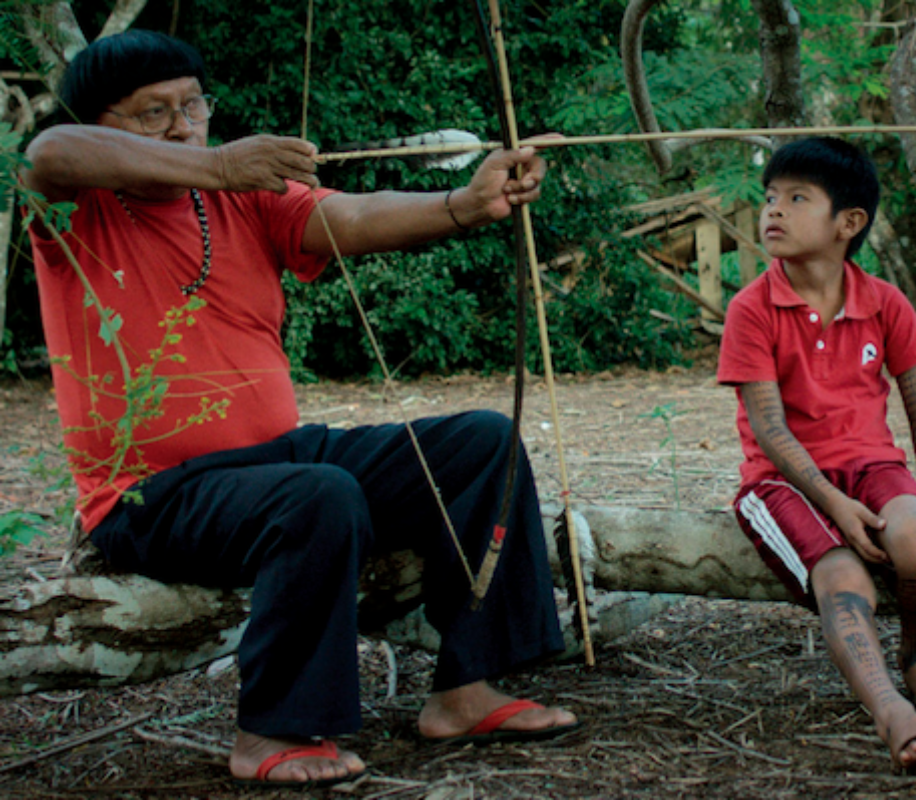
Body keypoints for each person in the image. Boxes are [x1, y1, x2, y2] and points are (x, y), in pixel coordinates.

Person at [22, 30, 578, 789]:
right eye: (155, 114)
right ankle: (271, 730)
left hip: (277, 459)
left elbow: (346, 217)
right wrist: (216, 164)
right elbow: (48, 153)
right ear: (100, 123)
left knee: (482, 445)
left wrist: (464, 204)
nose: (186, 126)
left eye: (194, 105)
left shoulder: (238, 199)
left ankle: (465, 688)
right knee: (319, 496)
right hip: (151, 494)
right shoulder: (73, 210)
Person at [717, 137, 916, 774]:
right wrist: (833, 503)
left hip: (870, 465)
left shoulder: (884, 301)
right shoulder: (752, 308)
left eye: (797, 198)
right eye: (770, 197)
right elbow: (771, 431)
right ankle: (890, 710)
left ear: (849, 223)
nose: (773, 210)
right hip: (782, 481)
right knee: (844, 578)